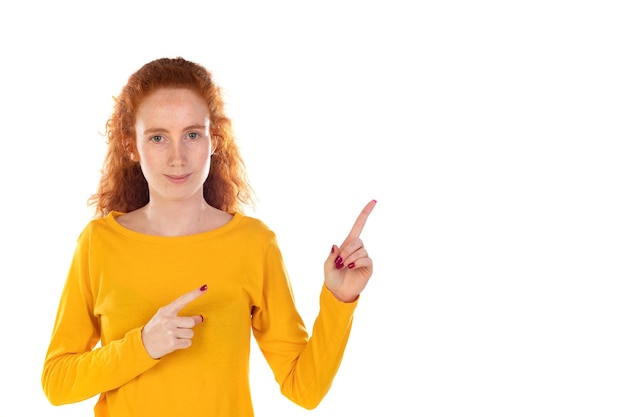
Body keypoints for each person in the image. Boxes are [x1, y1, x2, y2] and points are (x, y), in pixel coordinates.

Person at [41, 57, 376, 417]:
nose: (178, 158)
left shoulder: (253, 243)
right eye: (157, 137)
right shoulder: (99, 243)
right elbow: (57, 383)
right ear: (131, 146)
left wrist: (340, 299)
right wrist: (142, 346)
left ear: (214, 139)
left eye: (192, 134)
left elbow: (303, 389)